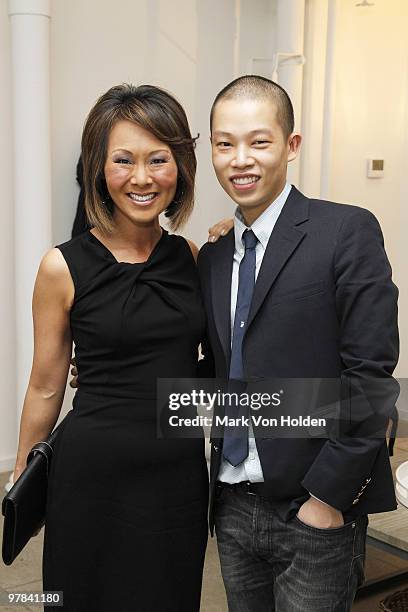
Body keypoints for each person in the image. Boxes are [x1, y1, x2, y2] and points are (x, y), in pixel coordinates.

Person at [197, 75, 399, 611]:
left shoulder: (345, 231)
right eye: (225, 143)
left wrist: (327, 499)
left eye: (259, 142)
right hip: (233, 503)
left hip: (313, 505)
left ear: (291, 146)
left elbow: (371, 375)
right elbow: (213, 367)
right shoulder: (214, 256)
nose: (240, 159)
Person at [12, 83, 210, 612]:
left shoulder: (193, 256)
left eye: (158, 160)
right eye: (123, 160)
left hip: (177, 479)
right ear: (99, 167)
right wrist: (20, 479)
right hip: (91, 477)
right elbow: (47, 382)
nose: (141, 178)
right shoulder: (62, 266)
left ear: (181, 167)